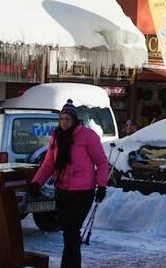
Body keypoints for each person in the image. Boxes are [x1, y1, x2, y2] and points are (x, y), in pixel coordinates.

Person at [30, 99, 109, 268]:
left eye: (67, 119)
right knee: (68, 233)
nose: (64, 122)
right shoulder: (56, 137)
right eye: (61, 119)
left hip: (83, 191)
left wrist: (102, 185)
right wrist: (36, 182)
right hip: (62, 189)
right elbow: (48, 164)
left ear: (74, 120)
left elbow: (102, 162)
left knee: (72, 231)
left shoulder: (88, 136)